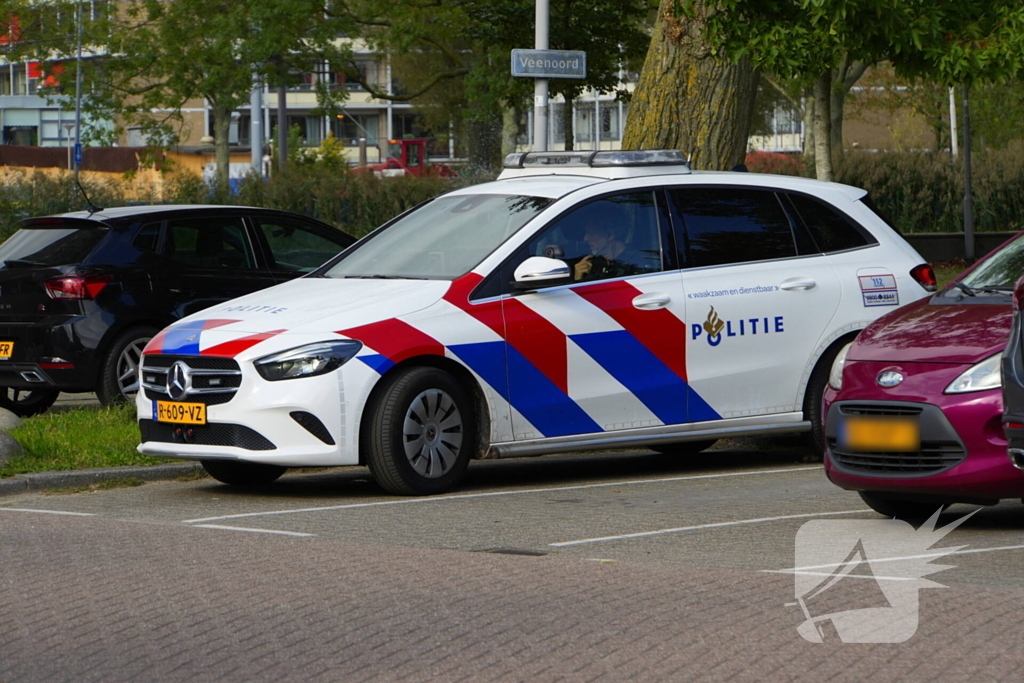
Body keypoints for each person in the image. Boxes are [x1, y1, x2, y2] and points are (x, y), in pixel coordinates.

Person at [573, 223, 653, 281]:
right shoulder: (592, 264)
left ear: (610, 235)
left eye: (591, 233)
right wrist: (578, 278)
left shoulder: (637, 263)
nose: (586, 238)